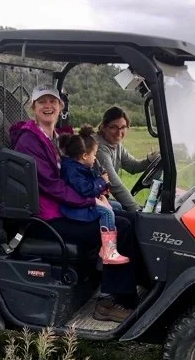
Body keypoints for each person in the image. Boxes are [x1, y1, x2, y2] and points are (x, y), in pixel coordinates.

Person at [10, 85, 139, 323]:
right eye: (42, 102)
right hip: (47, 216)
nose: (48, 106)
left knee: (130, 219)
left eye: (53, 101)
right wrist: (89, 199)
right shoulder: (29, 140)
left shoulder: (57, 137)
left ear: (60, 106)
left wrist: (96, 191)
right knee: (122, 227)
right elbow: (50, 184)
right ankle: (109, 301)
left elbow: (76, 170)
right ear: (34, 108)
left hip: (64, 207)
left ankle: (126, 291)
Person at [59, 125, 129, 265]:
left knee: (117, 206)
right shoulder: (72, 171)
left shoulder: (80, 167)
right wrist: (101, 182)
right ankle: (108, 251)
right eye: (94, 155)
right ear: (85, 156)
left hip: (85, 202)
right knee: (108, 213)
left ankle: (104, 247)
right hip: (76, 210)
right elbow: (85, 190)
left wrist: (101, 188)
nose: (95, 158)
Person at [95, 106, 159, 212]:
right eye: (114, 127)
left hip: (100, 197)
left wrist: (150, 160)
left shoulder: (116, 145)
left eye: (123, 127)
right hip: (90, 200)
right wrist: (136, 210)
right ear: (103, 127)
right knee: (121, 210)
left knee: (121, 207)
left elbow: (132, 166)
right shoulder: (99, 148)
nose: (119, 132)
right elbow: (114, 184)